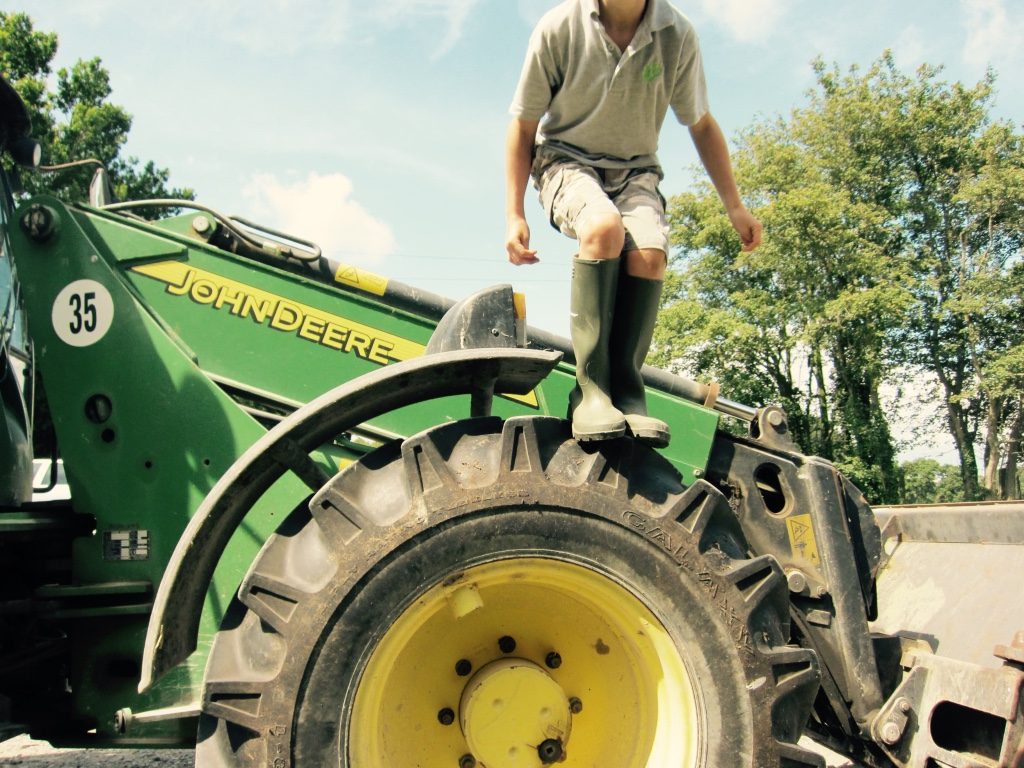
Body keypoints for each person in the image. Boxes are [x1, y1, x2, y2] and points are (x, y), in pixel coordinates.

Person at [505, 0, 761, 448]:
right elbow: (523, 126)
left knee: (648, 253)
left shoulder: (676, 35)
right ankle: (591, 391)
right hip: (565, 160)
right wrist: (514, 213)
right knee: (604, 229)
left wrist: (735, 205)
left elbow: (700, 124)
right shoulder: (559, 28)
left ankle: (626, 389)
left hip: (637, 170)